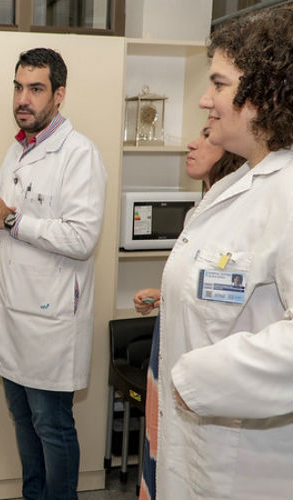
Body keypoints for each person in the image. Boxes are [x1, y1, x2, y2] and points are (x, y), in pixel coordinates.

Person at [155, 5, 293, 499]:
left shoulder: (288, 193)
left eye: (218, 84)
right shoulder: (235, 185)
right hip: (197, 448)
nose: (204, 99)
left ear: (265, 94)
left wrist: (197, 379)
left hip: (248, 466)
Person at [0, 48, 106, 500]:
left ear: (58, 95)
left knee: (52, 425)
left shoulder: (80, 154)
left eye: (35, 89)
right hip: (12, 314)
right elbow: (11, 221)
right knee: (24, 421)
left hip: (50, 322)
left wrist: (10, 219)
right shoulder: (18, 148)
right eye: (18, 87)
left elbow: (81, 238)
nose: (22, 99)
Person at [132, 126, 244, 500]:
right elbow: (204, 284)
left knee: (187, 461)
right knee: (160, 448)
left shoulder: (238, 214)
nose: (192, 144)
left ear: (232, 148)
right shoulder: (199, 211)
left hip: (201, 355)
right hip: (168, 346)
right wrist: (164, 295)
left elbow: (231, 290)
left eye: (208, 135)